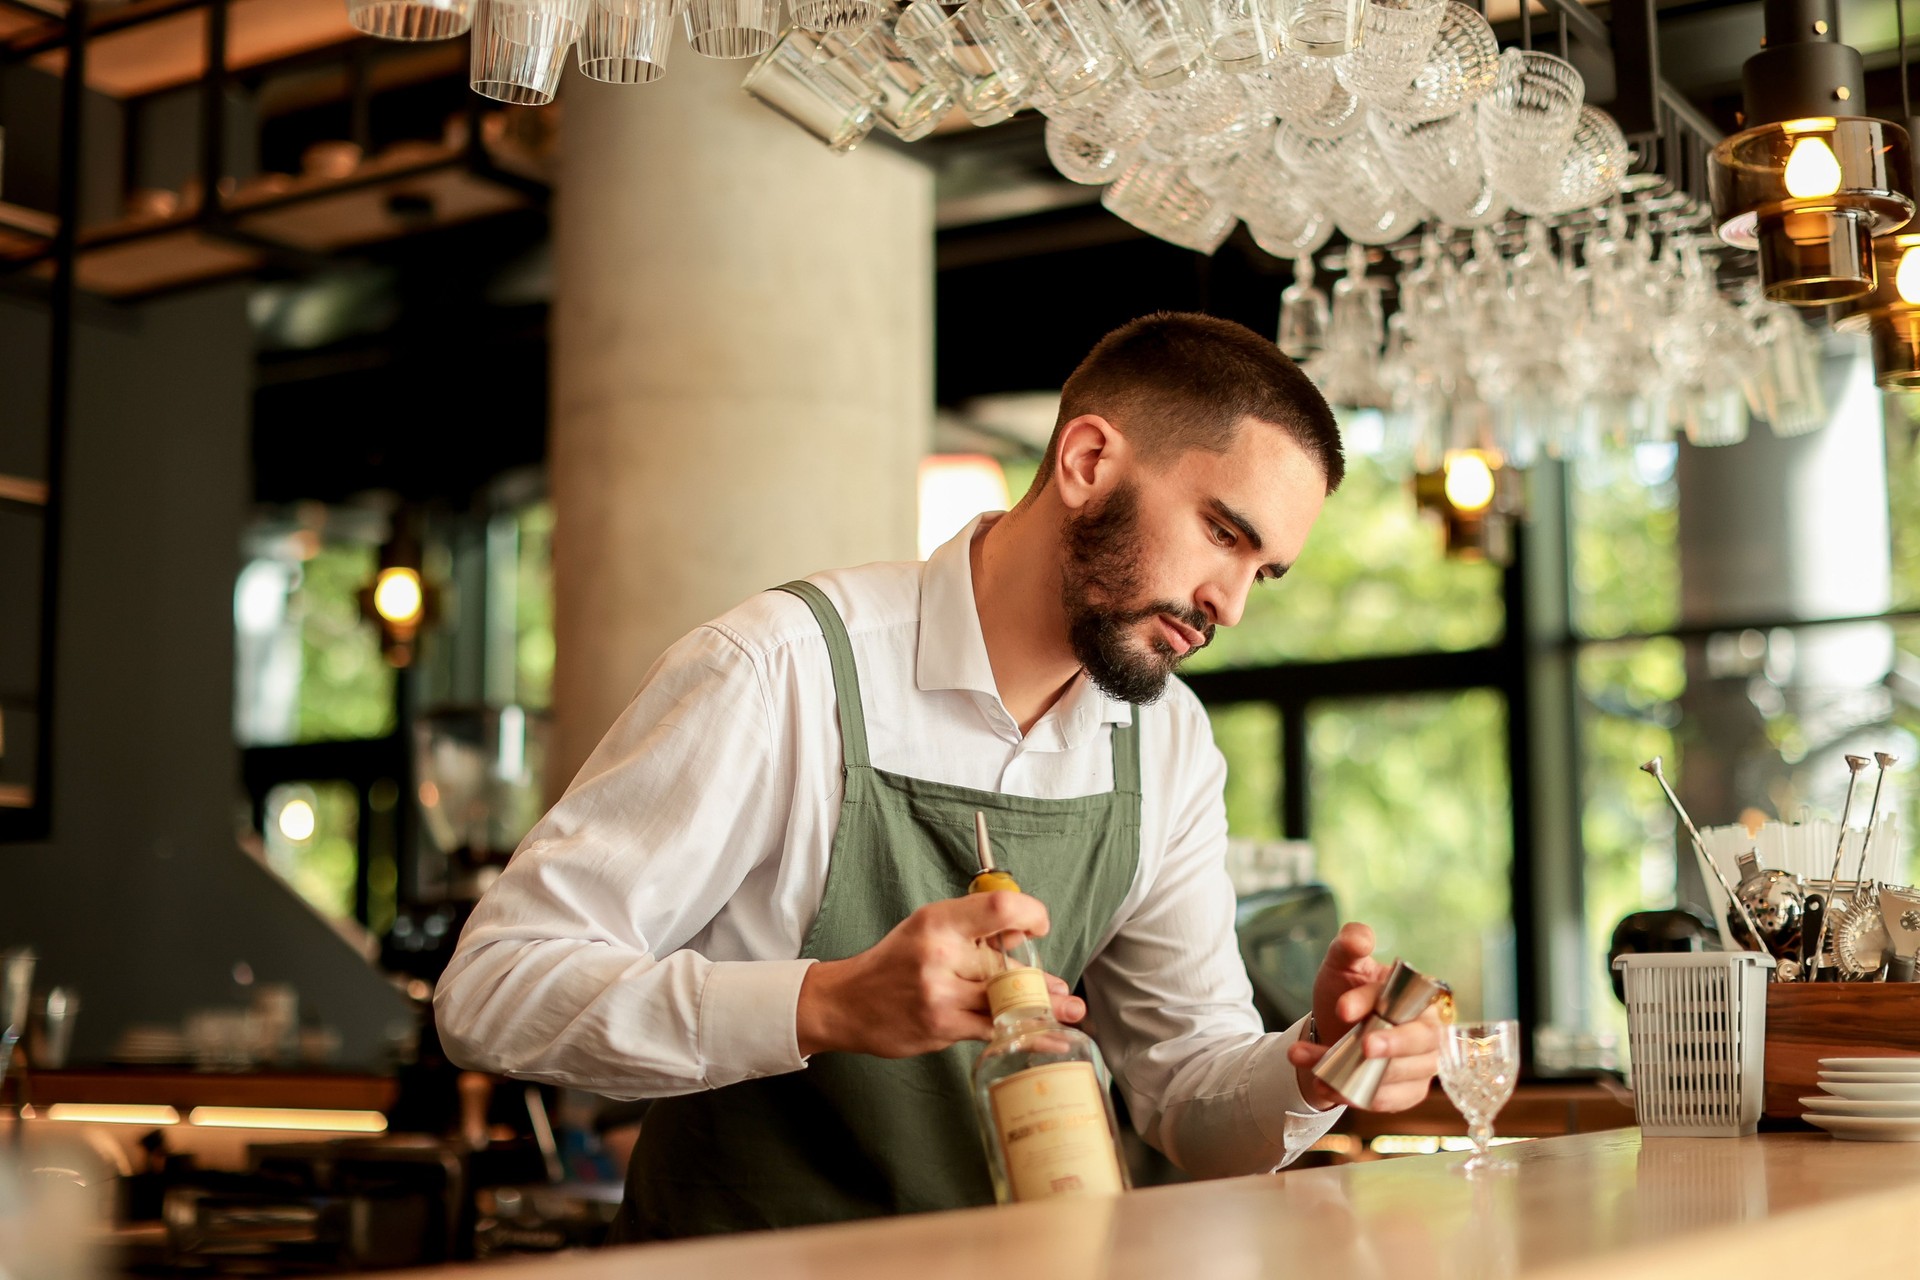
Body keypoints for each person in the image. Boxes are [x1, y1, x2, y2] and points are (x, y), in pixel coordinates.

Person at [435, 311, 1444, 1242]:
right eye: (1223, 533)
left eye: (1263, 570)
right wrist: (825, 1002)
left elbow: (1187, 1091)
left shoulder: (1168, 742)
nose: (1228, 605)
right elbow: (492, 986)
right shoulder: (782, 668)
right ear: (1088, 460)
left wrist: (1314, 1062)